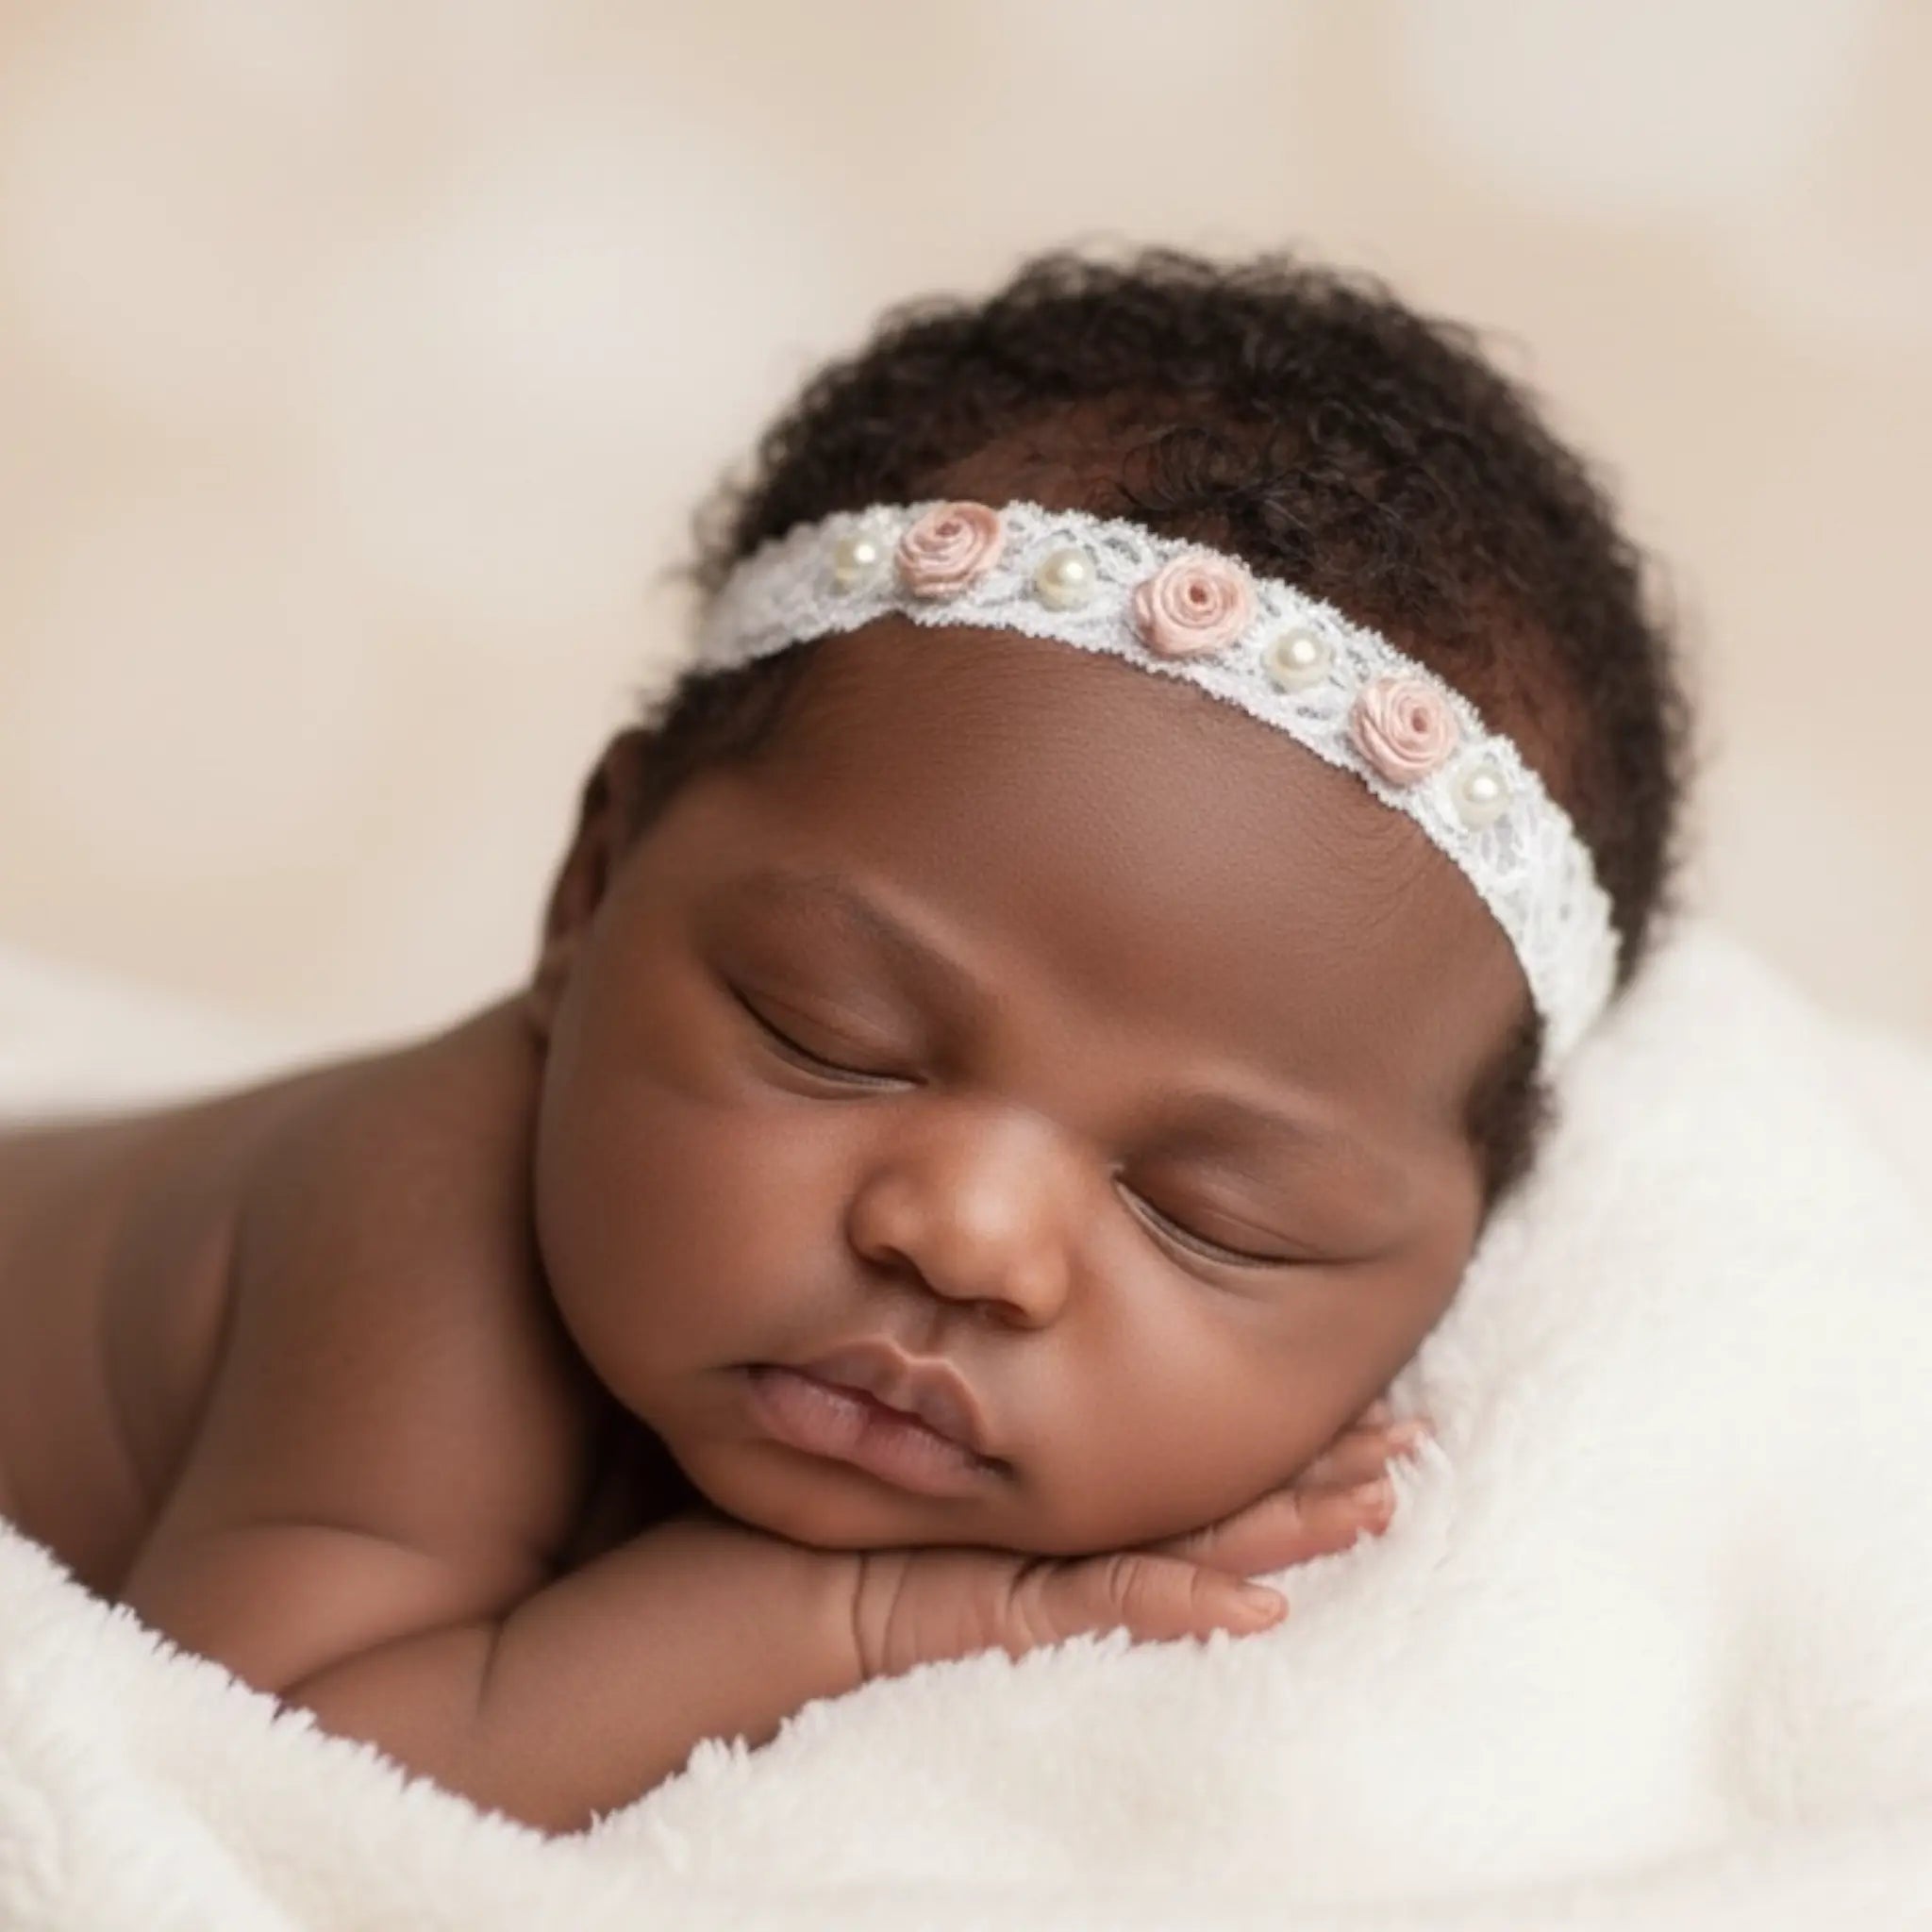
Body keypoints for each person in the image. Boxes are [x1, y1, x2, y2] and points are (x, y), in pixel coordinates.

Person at [0, 247, 1689, 1834]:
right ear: (591, 888)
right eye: (835, 1039)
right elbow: (250, 1776)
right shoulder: (422, 1218)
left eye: (1215, 1213)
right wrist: (866, 1614)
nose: (969, 1238)